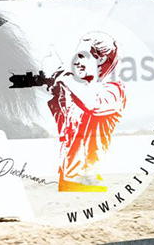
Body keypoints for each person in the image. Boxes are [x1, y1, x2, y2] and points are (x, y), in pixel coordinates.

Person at [43, 33, 125, 192]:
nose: (76, 62)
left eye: (82, 56)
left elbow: (94, 105)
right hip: (70, 182)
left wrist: (63, 77)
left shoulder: (114, 90)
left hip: (89, 182)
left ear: (100, 59)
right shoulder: (79, 90)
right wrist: (56, 90)